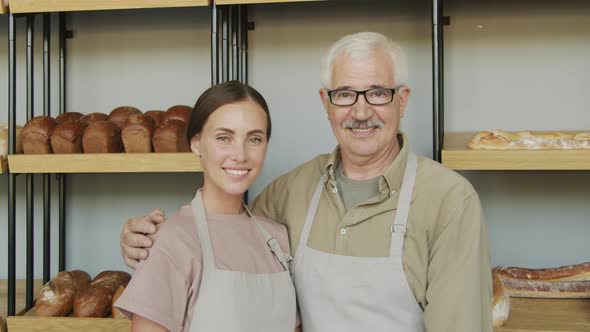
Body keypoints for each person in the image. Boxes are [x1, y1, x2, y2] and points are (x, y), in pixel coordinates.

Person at [121, 32, 493, 331]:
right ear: (326, 103)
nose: (361, 112)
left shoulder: (448, 201)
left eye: (378, 93)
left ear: (403, 100)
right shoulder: (290, 192)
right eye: (345, 94)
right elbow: (225, 234)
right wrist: (147, 241)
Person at [115, 81, 301, 332]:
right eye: (224, 138)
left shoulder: (277, 240)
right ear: (195, 144)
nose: (240, 154)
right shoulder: (170, 241)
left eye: (254, 139)